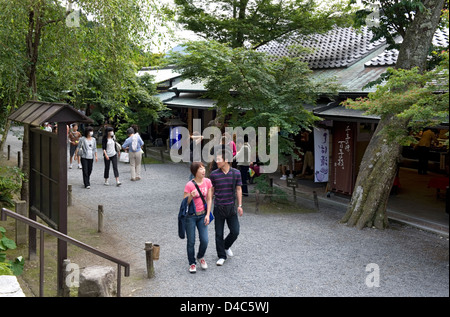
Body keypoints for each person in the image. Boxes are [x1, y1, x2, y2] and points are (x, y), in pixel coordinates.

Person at [209, 146, 243, 266]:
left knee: (235, 231)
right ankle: (221, 256)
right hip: (218, 207)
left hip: (231, 207)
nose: (216, 161)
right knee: (218, 233)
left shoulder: (236, 173)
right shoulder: (214, 174)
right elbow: (211, 191)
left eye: (219, 159)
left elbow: (238, 189)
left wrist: (240, 205)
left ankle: (226, 245)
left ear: (226, 160)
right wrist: (207, 207)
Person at [183, 162, 213, 273]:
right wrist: (191, 196)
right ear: (195, 172)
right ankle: (192, 263)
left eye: (204, 168)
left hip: (202, 215)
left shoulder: (208, 182)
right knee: (191, 241)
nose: (203, 171)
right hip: (190, 217)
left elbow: (209, 199)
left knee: (205, 240)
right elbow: (184, 203)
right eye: (200, 169)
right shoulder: (189, 185)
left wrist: (207, 214)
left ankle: (200, 257)